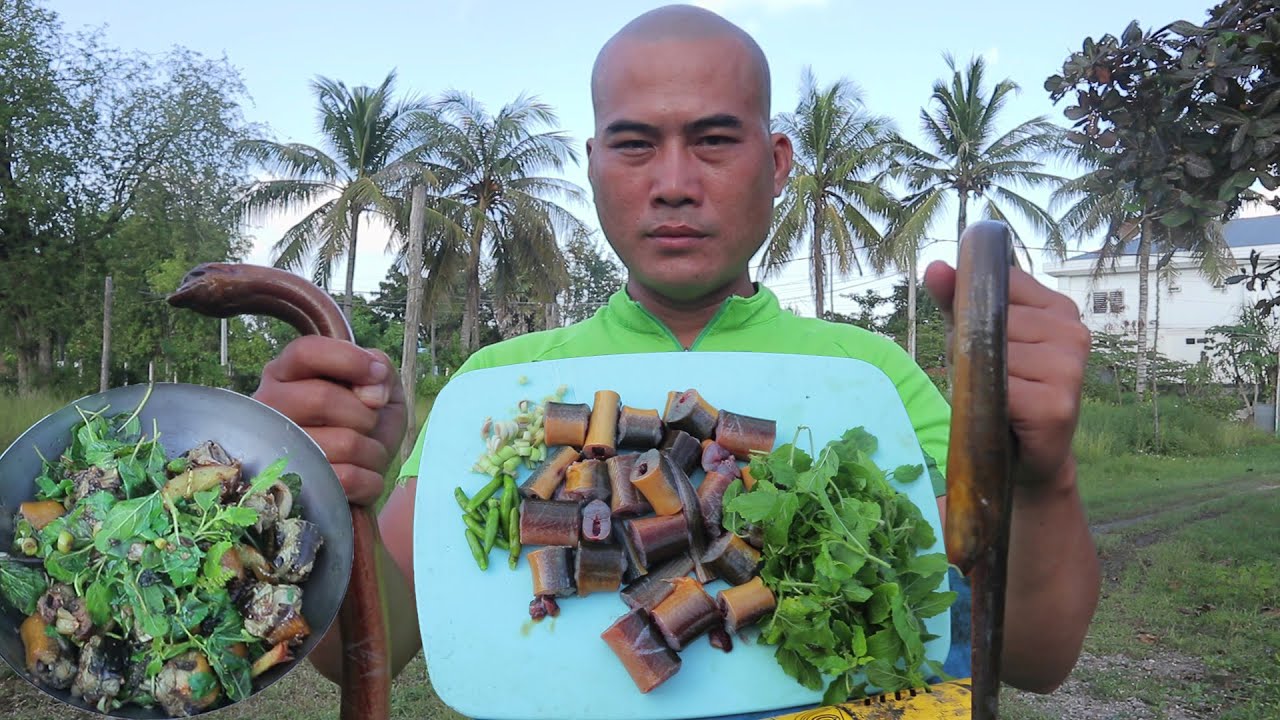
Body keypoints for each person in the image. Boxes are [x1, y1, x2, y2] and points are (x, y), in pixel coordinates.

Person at [251, 2, 1100, 704]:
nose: (674, 184)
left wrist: (1044, 479)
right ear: (593, 165)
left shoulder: (870, 379)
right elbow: (366, 656)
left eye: (714, 140)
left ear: (776, 163)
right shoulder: (501, 387)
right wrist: (329, 499)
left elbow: (1034, 658)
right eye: (634, 144)